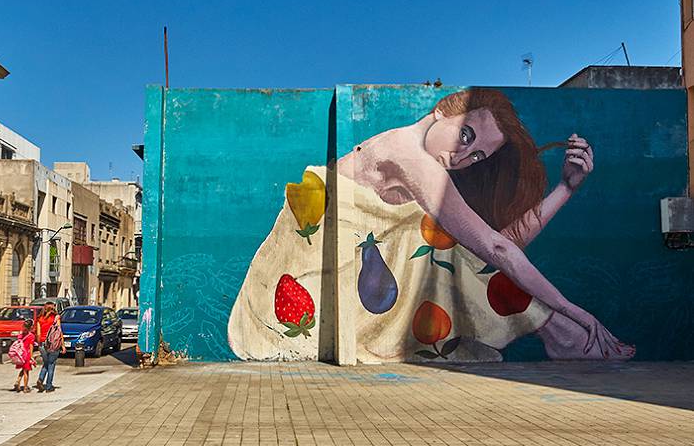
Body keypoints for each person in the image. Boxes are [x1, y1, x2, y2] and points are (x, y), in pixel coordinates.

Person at [228, 88, 634, 362]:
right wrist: (575, 312)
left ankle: (561, 334)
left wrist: (565, 188)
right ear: (442, 111)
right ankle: (565, 334)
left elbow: (498, 248)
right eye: (465, 136)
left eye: (476, 156)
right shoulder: (406, 155)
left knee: (449, 248)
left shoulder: (428, 178)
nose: (462, 158)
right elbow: (497, 250)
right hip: (303, 286)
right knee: (450, 247)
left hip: (360, 288)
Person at [35, 302, 65, 392]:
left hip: (42, 344)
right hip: (53, 344)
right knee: (51, 364)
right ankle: (49, 386)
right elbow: (59, 332)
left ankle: (40, 379)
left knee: (46, 363)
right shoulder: (56, 318)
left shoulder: (39, 319)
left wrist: (39, 345)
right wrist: (63, 345)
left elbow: (38, 334)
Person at [12, 318, 36, 393]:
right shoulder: (31, 336)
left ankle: (18, 381)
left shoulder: (21, 335)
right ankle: (25, 387)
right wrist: (31, 356)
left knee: (23, 370)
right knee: (26, 372)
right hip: (27, 354)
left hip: (20, 354)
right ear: (31, 327)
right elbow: (31, 347)